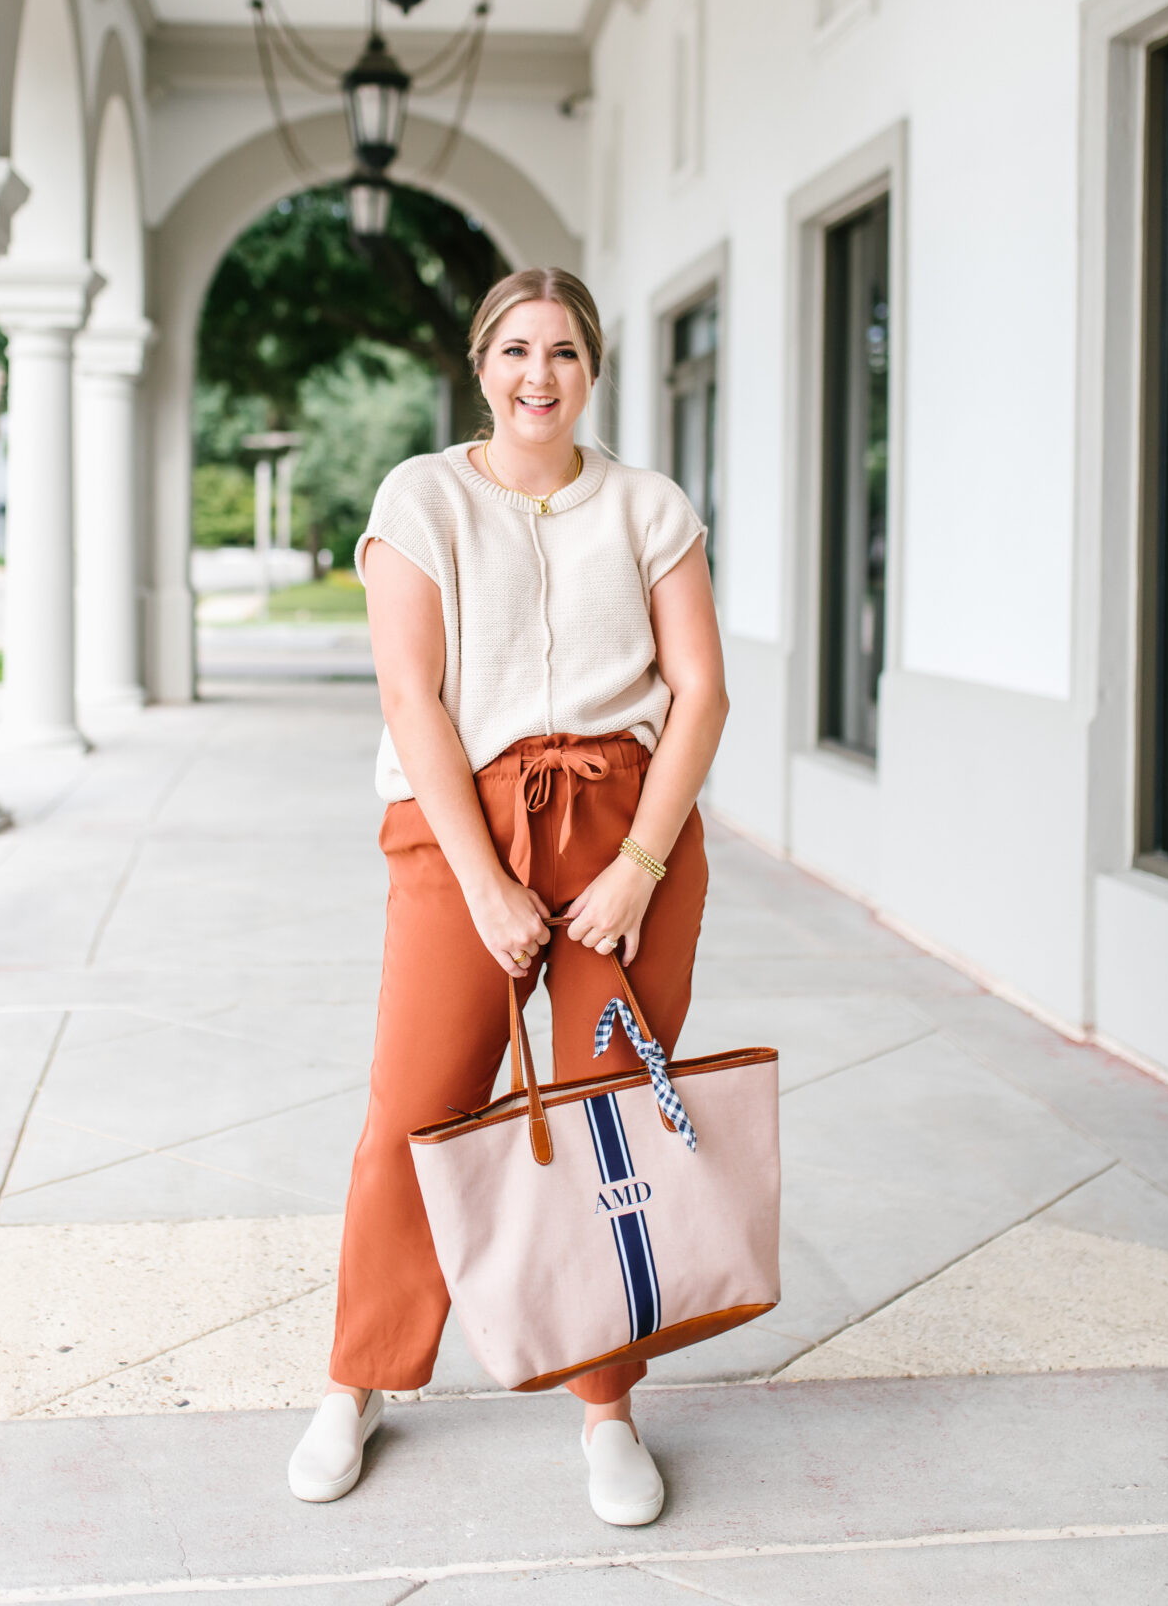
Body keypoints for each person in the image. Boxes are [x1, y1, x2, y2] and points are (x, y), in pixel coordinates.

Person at [287, 266, 729, 1526]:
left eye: (566, 351)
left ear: (594, 370)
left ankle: (607, 1407)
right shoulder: (421, 498)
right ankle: (358, 1378)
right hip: (459, 828)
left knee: (608, 1118)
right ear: (482, 363)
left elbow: (701, 691)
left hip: (626, 827)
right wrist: (483, 883)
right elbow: (411, 697)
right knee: (415, 1111)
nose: (541, 374)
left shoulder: (648, 505)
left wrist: (638, 867)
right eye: (518, 349)